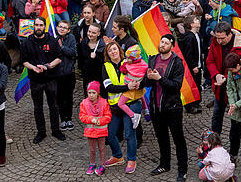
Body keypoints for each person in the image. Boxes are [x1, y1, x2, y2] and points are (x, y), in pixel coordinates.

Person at [144, 34, 189, 181]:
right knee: (162, 138)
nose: (162, 44)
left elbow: (176, 86)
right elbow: (148, 82)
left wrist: (160, 79)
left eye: (166, 43)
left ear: (172, 45)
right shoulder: (153, 59)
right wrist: (148, 78)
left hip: (172, 107)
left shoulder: (177, 62)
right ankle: (164, 164)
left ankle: (182, 170)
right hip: (156, 107)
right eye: (161, 42)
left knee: (178, 139)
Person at [21, 16, 64, 143]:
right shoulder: (26, 42)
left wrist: (47, 66)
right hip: (35, 80)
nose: (38, 27)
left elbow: (59, 58)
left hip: (50, 78)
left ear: (45, 27)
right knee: (37, 107)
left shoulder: (52, 40)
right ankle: (41, 132)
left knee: (54, 106)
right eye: (36, 25)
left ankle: (56, 130)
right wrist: (33, 68)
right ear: (33, 26)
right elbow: (24, 61)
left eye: (41, 25)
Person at [102, 40, 140, 174]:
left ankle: (131, 159)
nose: (113, 52)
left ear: (119, 50)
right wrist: (126, 87)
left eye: (114, 49)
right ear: (107, 54)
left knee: (130, 134)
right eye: (110, 51)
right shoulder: (105, 66)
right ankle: (118, 156)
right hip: (115, 107)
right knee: (110, 134)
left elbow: (138, 78)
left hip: (131, 104)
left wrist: (133, 86)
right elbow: (108, 87)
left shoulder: (129, 62)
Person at [207, 20, 241, 134]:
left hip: (235, 88)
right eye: (217, 38)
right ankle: (214, 142)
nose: (219, 41)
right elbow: (210, 61)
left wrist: (226, 77)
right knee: (216, 115)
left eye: (222, 38)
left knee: (235, 120)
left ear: (230, 34)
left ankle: (233, 150)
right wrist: (216, 75)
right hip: (219, 87)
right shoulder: (215, 42)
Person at [79, 80, 112, 176]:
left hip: (101, 131)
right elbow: (82, 116)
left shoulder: (104, 103)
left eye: (94, 93)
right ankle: (92, 164)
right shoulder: (84, 103)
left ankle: (102, 165)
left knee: (102, 148)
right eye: (89, 93)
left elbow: (108, 116)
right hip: (90, 131)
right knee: (92, 149)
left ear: (98, 93)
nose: (91, 95)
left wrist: (100, 121)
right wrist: (91, 119)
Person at [57, 20, 80, 131]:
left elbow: (73, 53)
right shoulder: (53, 39)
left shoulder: (71, 38)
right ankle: (63, 119)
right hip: (57, 74)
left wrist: (62, 48)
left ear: (68, 30)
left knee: (68, 97)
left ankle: (69, 118)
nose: (61, 29)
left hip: (68, 73)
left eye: (64, 28)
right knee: (60, 98)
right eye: (60, 27)